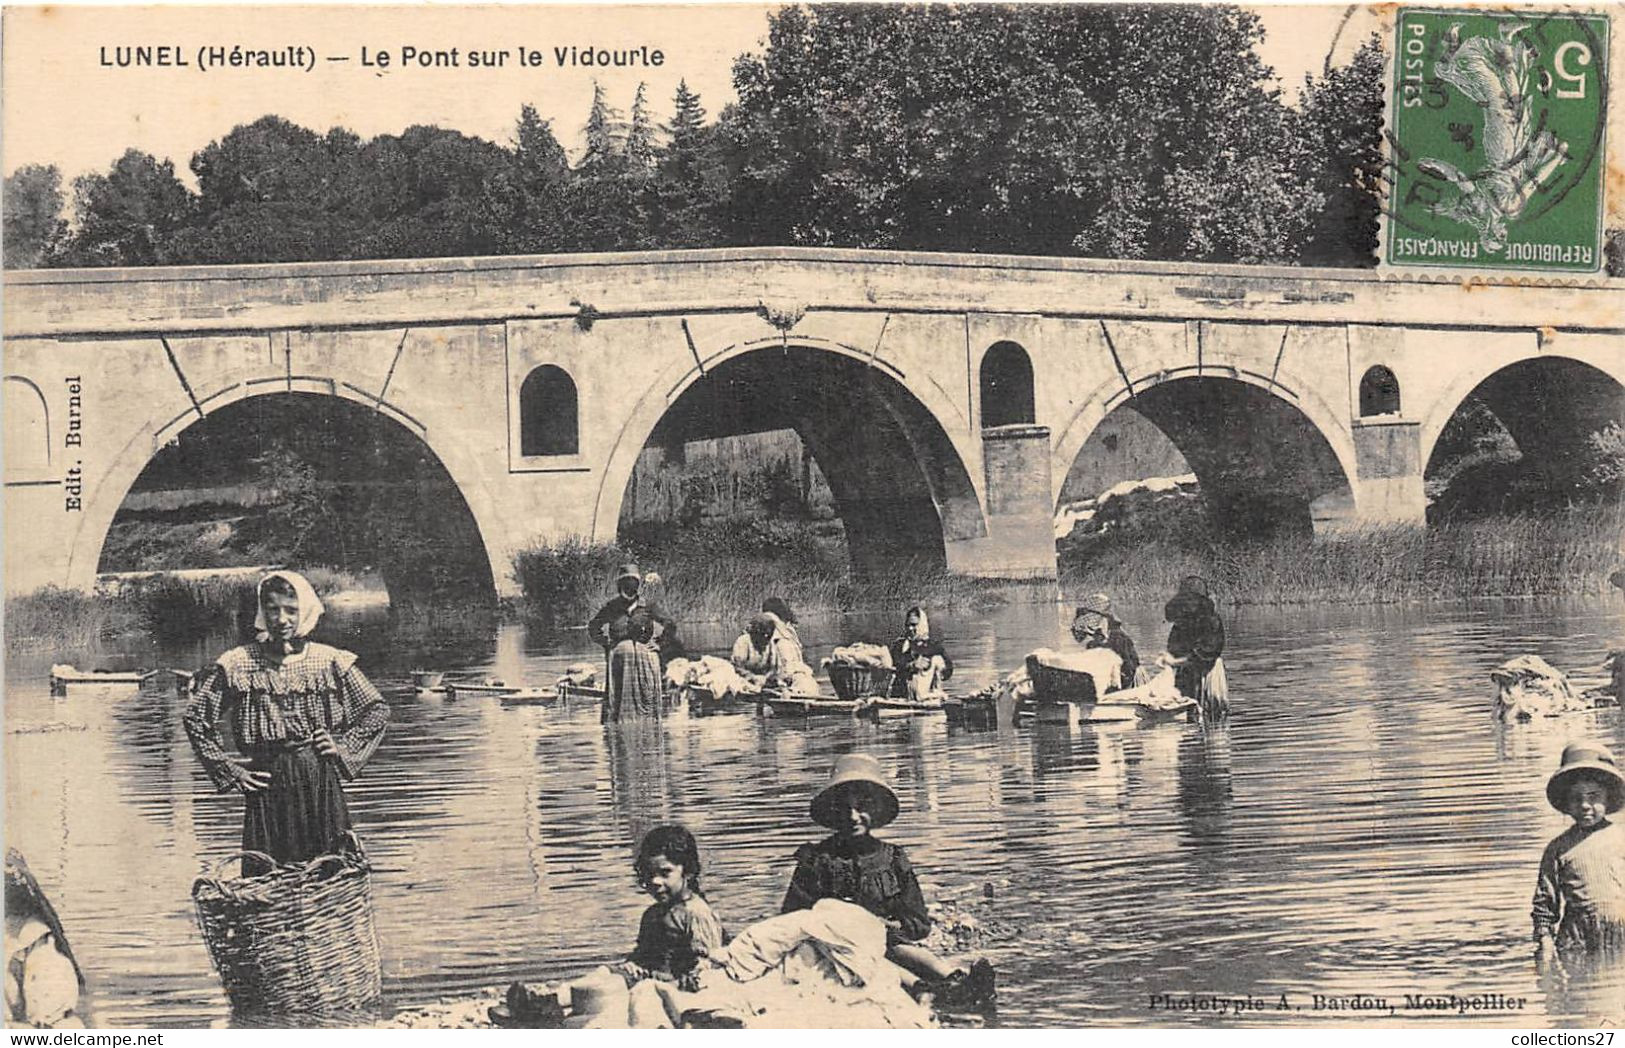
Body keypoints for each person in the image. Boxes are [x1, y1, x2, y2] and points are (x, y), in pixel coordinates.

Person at [182, 571, 391, 876]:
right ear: (262, 612)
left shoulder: (328, 660)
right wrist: (231, 771)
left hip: (318, 778)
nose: (281, 619)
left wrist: (342, 746)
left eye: (291, 610)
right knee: (269, 878)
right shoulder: (240, 662)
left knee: (330, 873)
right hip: (267, 782)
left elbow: (376, 709)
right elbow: (196, 718)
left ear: (304, 611)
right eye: (272, 609)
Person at [780, 754, 994, 1009]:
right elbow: (791, 918)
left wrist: (886, 926)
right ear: (834, 812)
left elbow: (918, 923)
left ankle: (955, 978)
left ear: (876, 810)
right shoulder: (816, 860)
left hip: (887, 942)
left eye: (862, 807)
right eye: (845, 808)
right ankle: (923, 990)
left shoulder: (892, 858)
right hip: (835, 950)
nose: (853, 817)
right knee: (864, 955)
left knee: (900, 949)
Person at [493, 825, 725, 1028]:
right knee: (604, 974)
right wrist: (633, 964)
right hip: (648, 975)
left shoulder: (696, 913)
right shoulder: (653, 914)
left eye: (665, 873)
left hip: (674, 986)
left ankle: (547, 1013)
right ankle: (547, 1002)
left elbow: (711, 962)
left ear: (688, 871)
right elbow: (644, 953)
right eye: (649, 874)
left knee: (607, 991)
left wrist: (690, 977)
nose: (655, 882)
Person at [1532, 742, 1625, 959]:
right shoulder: (1558, 849)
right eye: (1576, 798)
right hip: (1578, 939)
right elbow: (1545, 902)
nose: (1584, 805)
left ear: (1608, 797)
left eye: (1593, 796)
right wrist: (1545, 942)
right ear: (1566, 802)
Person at [588, 564, 682, 669]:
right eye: (626, 583)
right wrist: (607, 644)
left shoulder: (647, 605)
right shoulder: (612, 607)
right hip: (619, 657)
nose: (629, 588)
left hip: (643, 656)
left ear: (637, 585)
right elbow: (594, 626)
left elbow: (670, 624)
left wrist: (659, 644)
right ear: (620, 585)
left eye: (633, 583)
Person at [1162, 575, 1227, 717]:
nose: (1188, 605)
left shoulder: (1210, 621)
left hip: (1205, 672)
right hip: (1185, 672)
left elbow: (1209, 650)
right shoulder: (1182, 622)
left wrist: (1181, 661)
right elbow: (1174, 646)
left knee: (1207, 713)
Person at [731, 612, 818, 695]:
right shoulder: (743, 642)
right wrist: (753, 678)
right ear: (755, 632)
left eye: (768, 636)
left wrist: (766, 679)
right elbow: (737, 668)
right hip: (745, 679)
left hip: (764, 681)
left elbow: (774, 668)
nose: (766, 639)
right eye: (763, 635)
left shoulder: (770, 643)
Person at [1070, 592, 1140, 690]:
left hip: (1127, 681)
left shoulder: (1118, 637)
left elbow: (1130, 667)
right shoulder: (1095, 639)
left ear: (1105, 619)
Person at [887, 606, 953, 699]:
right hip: (901, 694)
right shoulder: (899, 645)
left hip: (925, 693)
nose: (910, 628)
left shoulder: (934, 647)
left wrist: (932, 668)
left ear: (922, 625)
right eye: (907, 625)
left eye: (914, 625)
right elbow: (892, 665)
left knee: (937, 660)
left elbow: (948, 671)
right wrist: (912, 665)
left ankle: (931, 697)